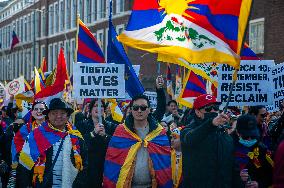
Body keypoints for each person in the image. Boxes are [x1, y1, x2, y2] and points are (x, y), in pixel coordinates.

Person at [103, 94, 172, 187]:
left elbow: (164, 163)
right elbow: (113, 161)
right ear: (131, 110)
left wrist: (159, 90)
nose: (139, 111)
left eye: (143, 108)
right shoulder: (121, 131)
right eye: (136, 108)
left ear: (149, 110)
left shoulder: (158, 132)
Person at [17, 98, 87, 187]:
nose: (58, 116)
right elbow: (24, 166)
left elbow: (85, 163)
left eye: (62, 113)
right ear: (48, 116)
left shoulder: (75, 135)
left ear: (68, 116)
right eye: (54, 113)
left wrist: (79, 184)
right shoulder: (36, 135)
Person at [180, 94, 241, 187]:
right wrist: (211, 124)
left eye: (215, 108)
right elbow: (190, 139)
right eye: (208, 109)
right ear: (198, 112)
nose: (213, 111)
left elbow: (231, 166)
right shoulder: (187, 130)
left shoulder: (224, 135)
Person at [76, 99, 115, 188]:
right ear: (90, 109)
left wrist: (105, 136)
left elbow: (116, 145)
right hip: (87, 171)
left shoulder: (112, 126)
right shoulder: (81, 125)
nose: (99, 108)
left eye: (101, 106)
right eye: (96, 105)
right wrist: (93, 133)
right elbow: (78, 144)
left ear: (104, 110)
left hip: (106, 169)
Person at [235, 115, 273, 188]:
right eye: (245, 136)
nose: (249, 139)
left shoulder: (263, 149)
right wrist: (237, 178)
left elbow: (271, 173)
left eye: (253, 136)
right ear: (237, 133)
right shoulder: (229, 148)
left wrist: (259, 184)